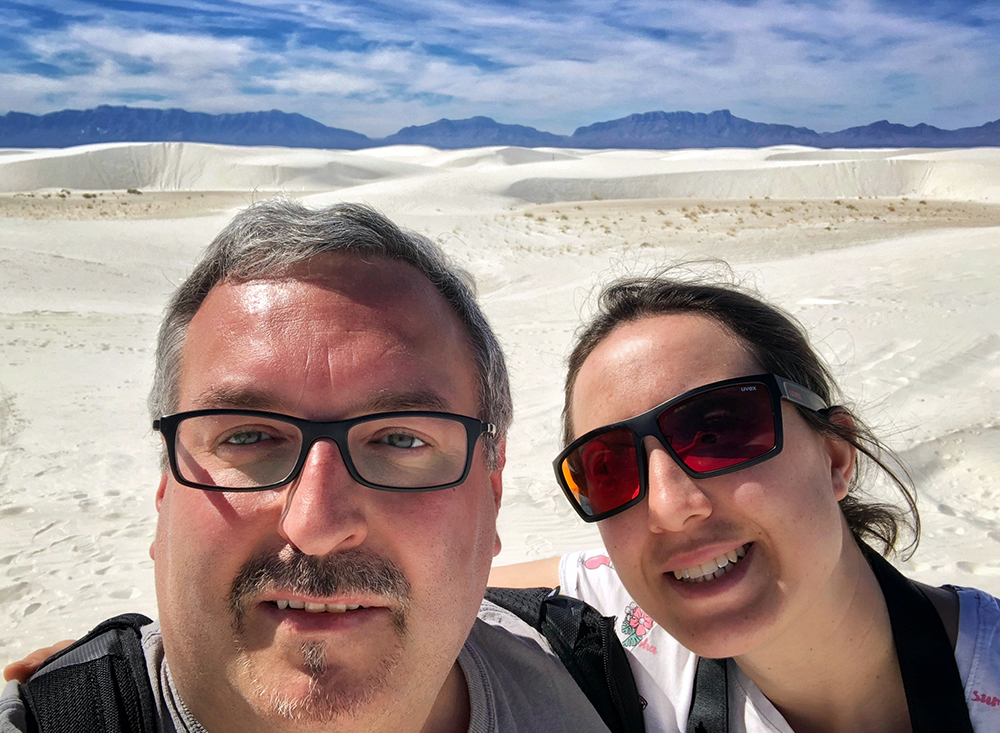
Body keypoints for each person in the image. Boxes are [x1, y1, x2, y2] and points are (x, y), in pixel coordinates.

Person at [1, 200, 613, 733]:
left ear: (493, 491)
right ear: (165, 491)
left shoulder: (600, 670)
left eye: (401, 439)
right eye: (247, 436)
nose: (315, 524)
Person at [491, 274, 1000, 732]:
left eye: (716, 434)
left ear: (835, 456)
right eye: (608, 468)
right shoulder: (619, 618)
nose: (669, 508)